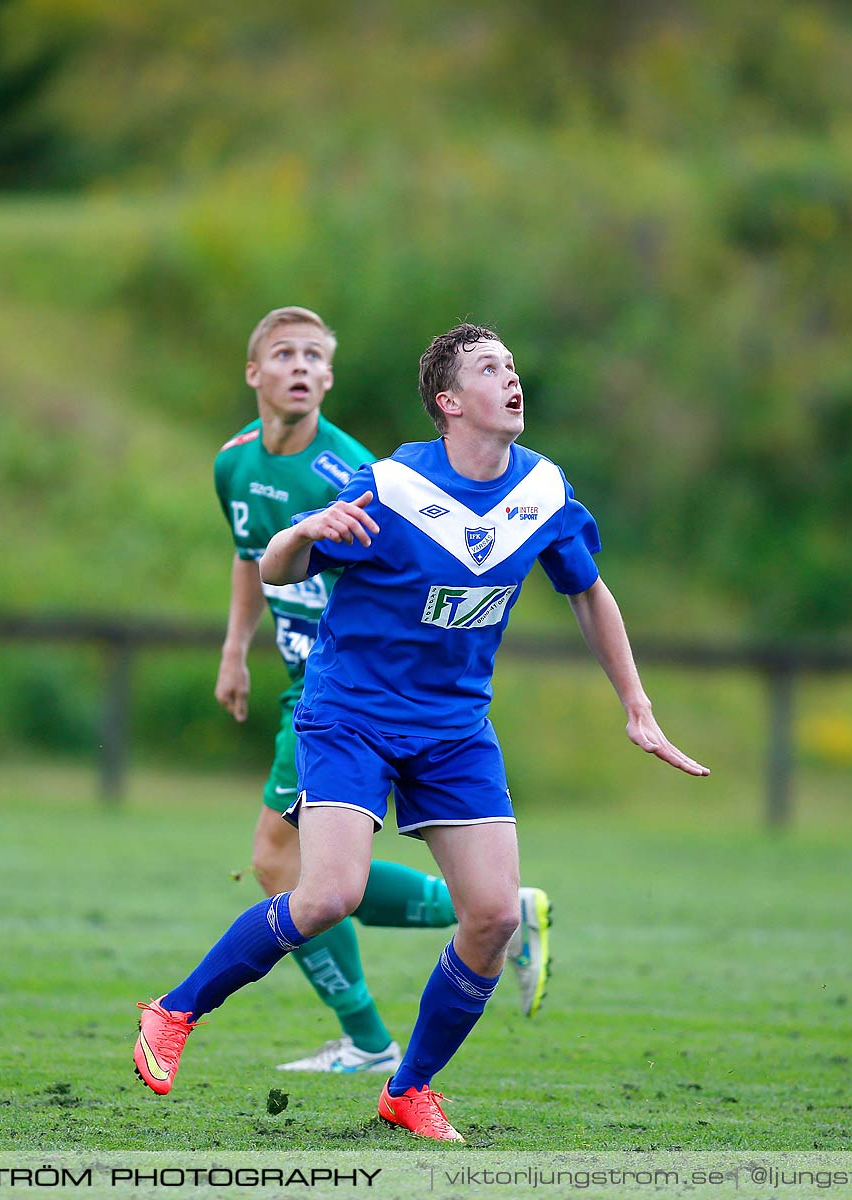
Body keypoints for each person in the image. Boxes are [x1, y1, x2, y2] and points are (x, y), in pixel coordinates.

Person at [139, 322, 707, 1141]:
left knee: (493, 915)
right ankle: (175, 1011)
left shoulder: (543, 492)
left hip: (453, 729)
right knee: (328, 893)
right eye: (489, 368)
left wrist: (638, 704)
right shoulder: (394, 486)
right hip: (351, 714)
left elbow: (589, 591)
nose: (512, 377)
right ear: (449, 403)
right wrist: (303, 531)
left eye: (513, 364)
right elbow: (277, 569)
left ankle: (408, 1090)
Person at [212, 308, 552, 1078]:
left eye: (313, 356)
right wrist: (235, 648)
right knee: (301, 873)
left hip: (340, 694)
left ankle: (372, 1036)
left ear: (329, 377)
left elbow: (393, 592)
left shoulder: (360, 475)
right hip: (298, 681)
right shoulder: (233, 463)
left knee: (282, 865)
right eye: (283, 353)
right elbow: (252, 555)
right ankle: (494, 922)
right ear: (253, 373)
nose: (299, 367)